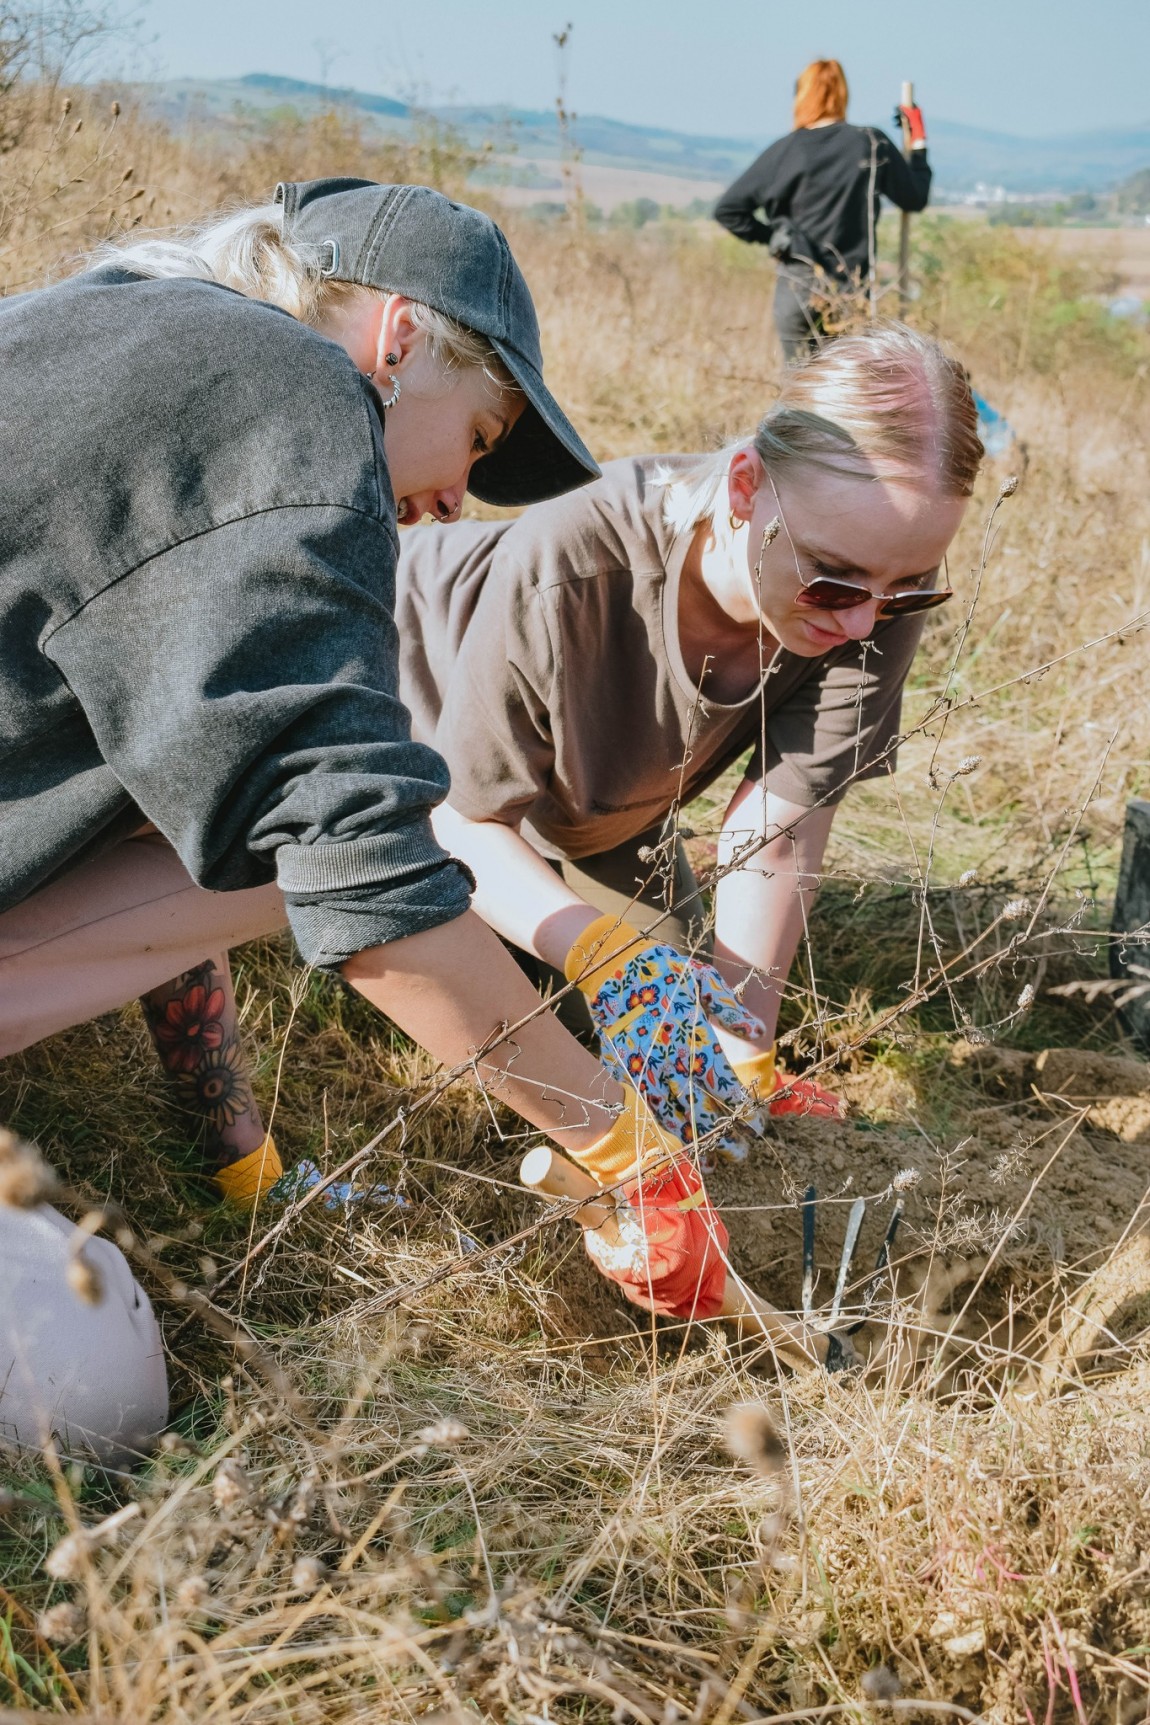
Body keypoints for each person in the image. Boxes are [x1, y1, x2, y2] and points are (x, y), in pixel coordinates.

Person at [0, 180, 733, 1463]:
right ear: (398, 340)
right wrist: (616, 1144)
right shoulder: (286, 391)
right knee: (88, 1385)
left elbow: (229, 803)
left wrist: (241, 1159)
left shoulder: (122, 331)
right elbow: (358, 856)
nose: (459, 500)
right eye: (484, 436)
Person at [392, 323, 982, 1140]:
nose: (861, 620)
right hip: (420, 751)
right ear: (746, 487)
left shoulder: (873, 589)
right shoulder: (573, 558)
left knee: (691, 1060)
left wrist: (745, 1047)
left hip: (594, 808)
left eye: (908, 588)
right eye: (831, 579)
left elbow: (780, 827)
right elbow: (464, 816)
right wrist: (601, 954)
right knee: (495, 1010)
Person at [714, 60, 931, 362]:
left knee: (800, 398)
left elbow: (729, 210)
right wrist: (917, 137)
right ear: (843, 94)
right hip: (850, 292)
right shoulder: (870, 143)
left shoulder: (786, 150)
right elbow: (915, 198)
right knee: (847, 399)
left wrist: (775, 237)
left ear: (801, 96)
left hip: (797, 287)